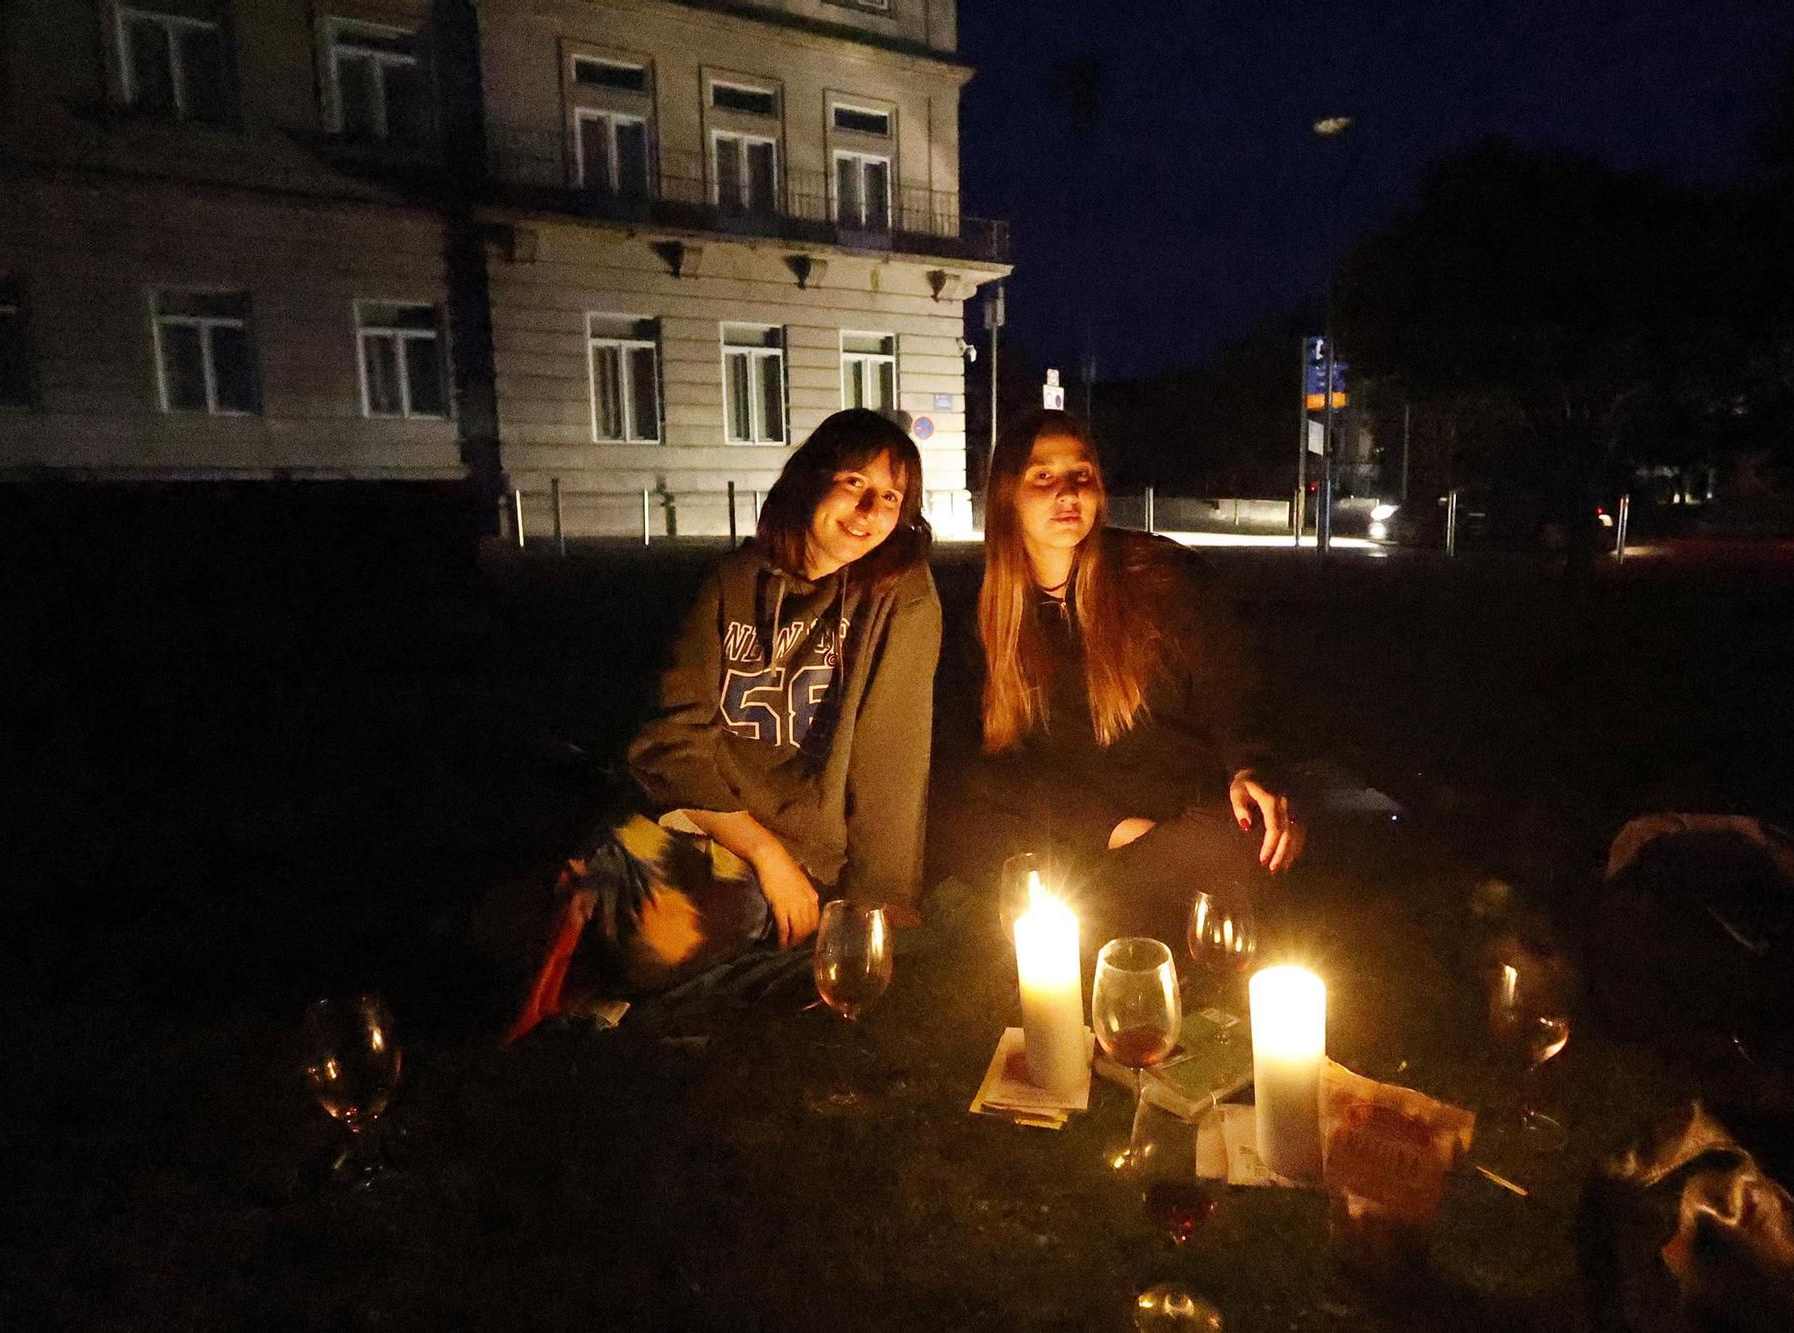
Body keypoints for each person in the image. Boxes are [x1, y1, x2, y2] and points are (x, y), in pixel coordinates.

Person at [505, 410, 940, 1041]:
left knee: (658, 932)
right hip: (705, 815)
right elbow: (671, 740)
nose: (870, 508)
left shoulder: (900, 595)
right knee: (582, 883)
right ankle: (569, 987)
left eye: (891, 497)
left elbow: (892, 755)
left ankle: (610, 990)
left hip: (800, 844)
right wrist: (761, 852)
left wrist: (882, 895)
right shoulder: (728, 582)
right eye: (853, 482)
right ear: (809, 480)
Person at [942, 408, 1305, 938]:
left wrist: (1250, 766)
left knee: (1242, 839)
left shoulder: (1158, 576)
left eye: (1081, 475)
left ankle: (1071, 920)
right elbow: (989, 767)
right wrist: (1108, 829)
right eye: (1042, 476)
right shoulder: (987, 617)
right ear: (1005, 495)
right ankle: (1138, 915)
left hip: (1181, 815)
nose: (1067, 493)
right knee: (962, 815)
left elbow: (1234, 689)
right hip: (1079, 822)